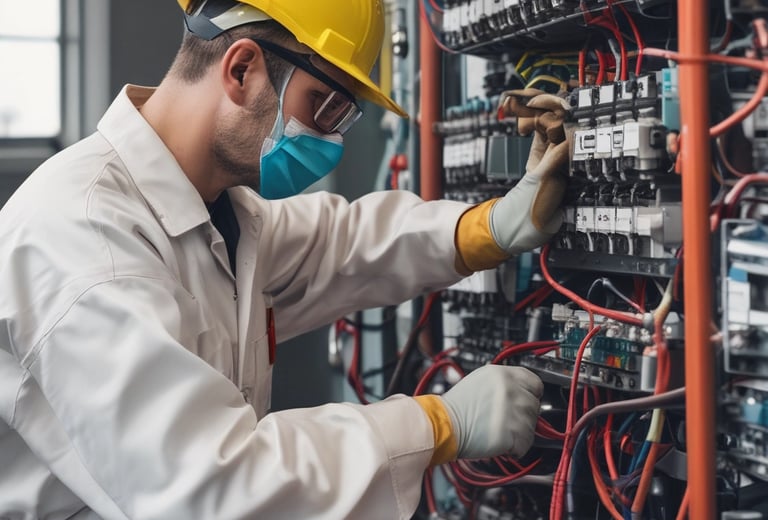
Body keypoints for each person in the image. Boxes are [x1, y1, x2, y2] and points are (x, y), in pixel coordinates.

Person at [0, 0, 571, 518]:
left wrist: (489, 228)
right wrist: (436, 425)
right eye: (324, 109)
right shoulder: (85, 240)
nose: (330, 142)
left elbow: (337, 244)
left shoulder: (219, 208)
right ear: (242, 69)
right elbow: (210, 486)